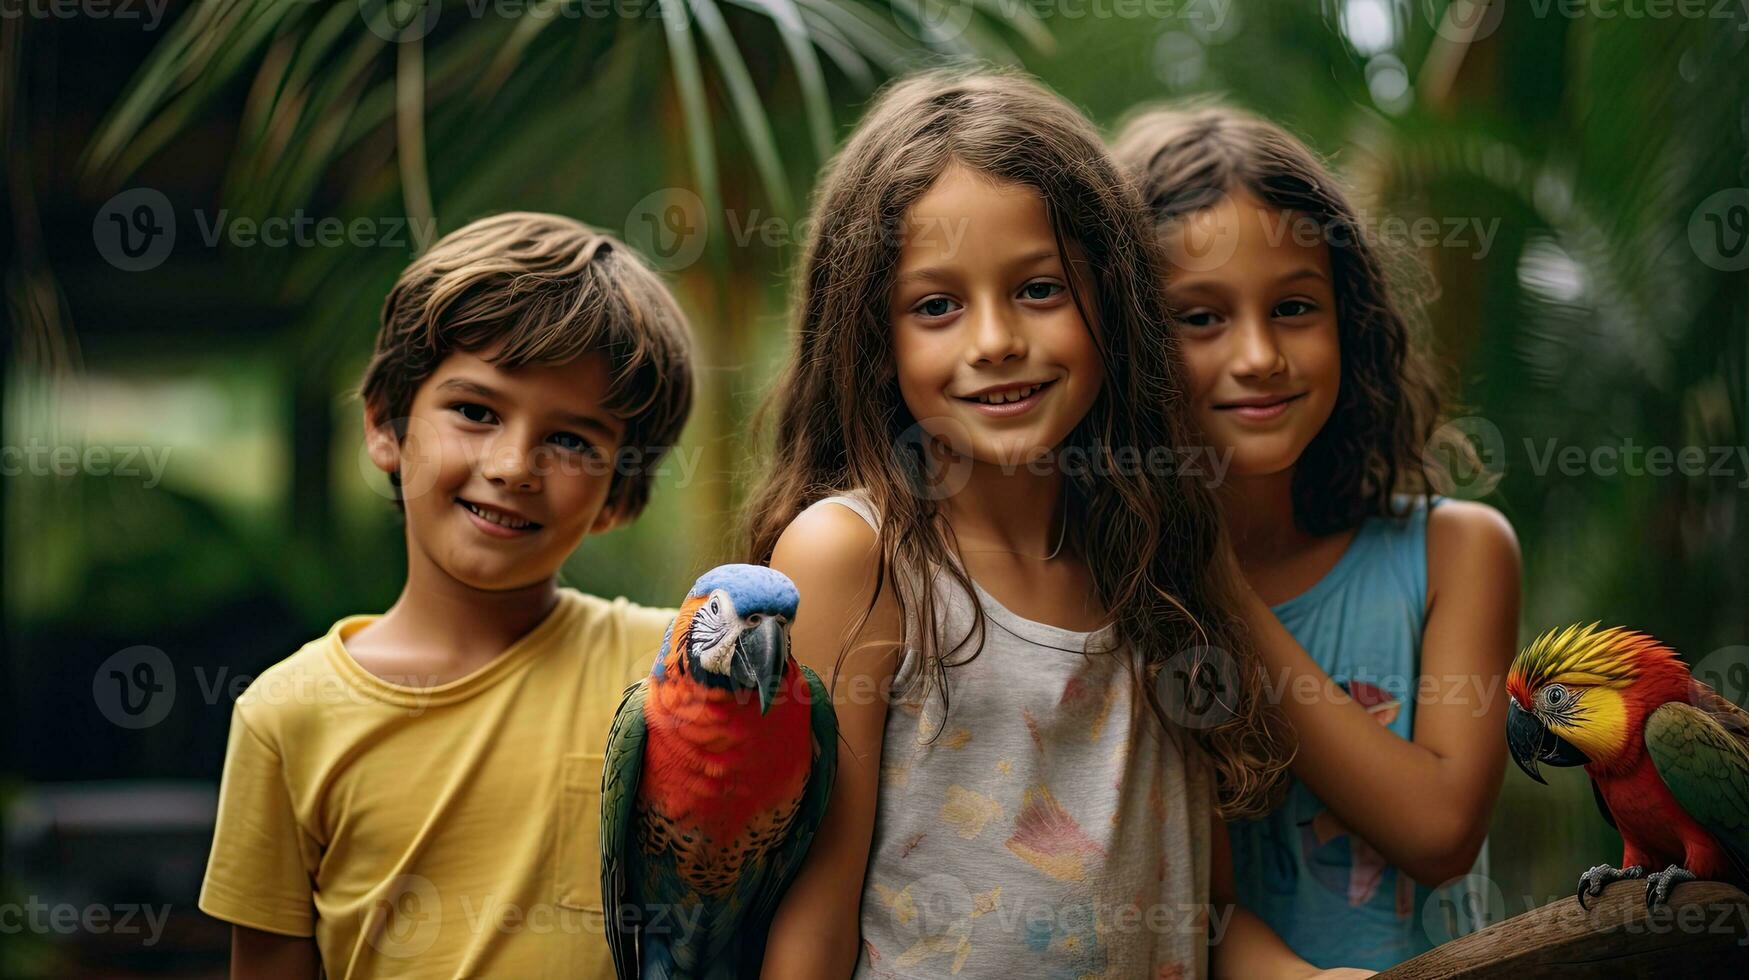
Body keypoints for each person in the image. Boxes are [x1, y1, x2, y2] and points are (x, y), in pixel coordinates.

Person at [747, 68, 1368, 980]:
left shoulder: (1162, 555)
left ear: (1112, 302)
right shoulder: (857, 559)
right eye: (935, 306)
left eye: (1039, 289)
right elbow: (812, 920)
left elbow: (1199, 911)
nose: (995, 339)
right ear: (870, 339)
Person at [197, 212, 694, 978]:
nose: (513, 465)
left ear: (618, 498)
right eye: (476, 412)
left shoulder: (673, 676)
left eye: (571, 440)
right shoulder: (283, 717)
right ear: (385, 426)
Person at [1113, 102, 1521, 970]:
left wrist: (1216, 582)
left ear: (1352, 321)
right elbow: (1194, 910)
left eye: (1294, 306)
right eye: (1200, 317)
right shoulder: (1110, 598)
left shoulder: (1456, 554)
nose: (1259, 354)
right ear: (1128, 344)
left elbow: (1439, 829)